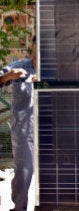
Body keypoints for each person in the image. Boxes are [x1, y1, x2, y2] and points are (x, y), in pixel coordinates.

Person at [0, 35, 37, 211]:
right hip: (24, 131)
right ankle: (19, 208)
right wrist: (9, 76)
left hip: (53, 130)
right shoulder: (19, 67)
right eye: (38, 47)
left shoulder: (57, 70)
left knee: (56, 174)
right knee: (24, 172)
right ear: (32, 47)